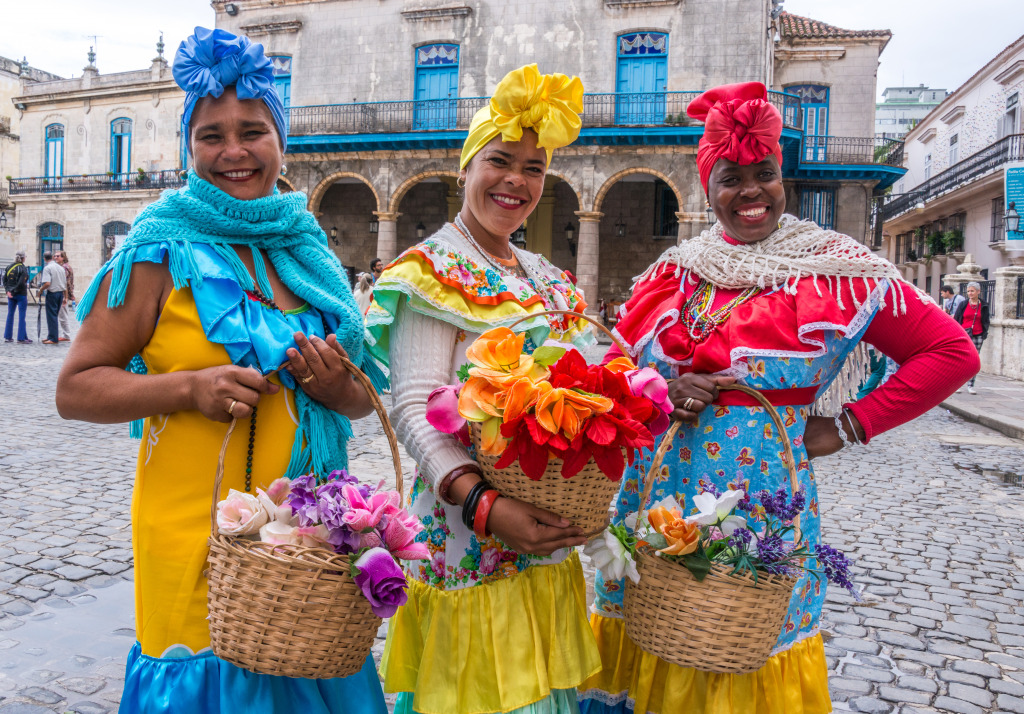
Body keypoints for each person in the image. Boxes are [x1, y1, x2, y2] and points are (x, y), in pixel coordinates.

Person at [576, 82, 978, 714]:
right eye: (731, 177)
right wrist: (663, 387)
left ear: (782, 177)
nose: (750, 192)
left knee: (740, 639)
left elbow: (952, 354)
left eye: (764, 174)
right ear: (707, 187)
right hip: (655, 495)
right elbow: (617, 371)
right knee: (654, 629)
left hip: (759, 504)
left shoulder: (834, 267)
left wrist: (850, 424)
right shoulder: (675, 269)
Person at [55, 27, 388, 714]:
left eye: (252, 130)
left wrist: (336, 387)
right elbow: (76, 387)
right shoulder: (156, 250)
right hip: (192, 525)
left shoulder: (308, 252)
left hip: (309, 538)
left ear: (280, 138)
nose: (233, 151)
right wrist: (186, 387)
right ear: (189, 146)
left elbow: (359, 401)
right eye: (211, 135)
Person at [367, 64, 600, 714]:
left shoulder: (547, 278)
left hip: (546, 551)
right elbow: (413, 409)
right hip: (468, 541)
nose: (516, 181)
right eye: (500, 159)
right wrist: (484, 507)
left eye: (534, 168)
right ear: (467, 165)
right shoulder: (432, 270)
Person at [952, 281, 989, 395]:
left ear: (978, 291)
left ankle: (971, 385)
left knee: (974, 361)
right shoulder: (963, 304)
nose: (970, 293)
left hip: (978, 335)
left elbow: (986, 320)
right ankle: (957, 384)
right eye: (968, 291)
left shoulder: (983, 305)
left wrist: (984, 333)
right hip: (964, 335)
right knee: (961, 359)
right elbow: (957, 318)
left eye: (972, 291)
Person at [37, 251, 66, 345]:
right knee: (54, 316)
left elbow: (47, 283)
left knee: (51, 316)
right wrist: (65, 296)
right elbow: (64, 284)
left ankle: (53, 338)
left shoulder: (47, 268)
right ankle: (51, 336)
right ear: (53, 257)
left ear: (44, 258)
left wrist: (41, 290)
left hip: (52, 294)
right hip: (60, 294)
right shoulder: (61, 268)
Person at [4, 250, 31, 344]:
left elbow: (4, 280)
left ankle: (8, 336)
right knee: (22, 316)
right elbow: (20, 283)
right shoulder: (23, 268)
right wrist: (14, 291)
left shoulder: (9, 267)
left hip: (10, 295)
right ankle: (21, 338)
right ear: (23, 258)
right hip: (20, 294)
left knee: (10, 314)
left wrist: (8, 291)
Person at [56, 250, 76, 341]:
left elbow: (66, 283)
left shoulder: (64, 268)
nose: (55, 257)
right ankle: (66, 334)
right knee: (63, 314)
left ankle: (66, 335)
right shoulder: (66, 266)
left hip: (64, 293)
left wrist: (66, 296)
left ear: (63, 257)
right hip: (66, 293)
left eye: (58, 256)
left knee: (63, 315)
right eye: (55, 256)